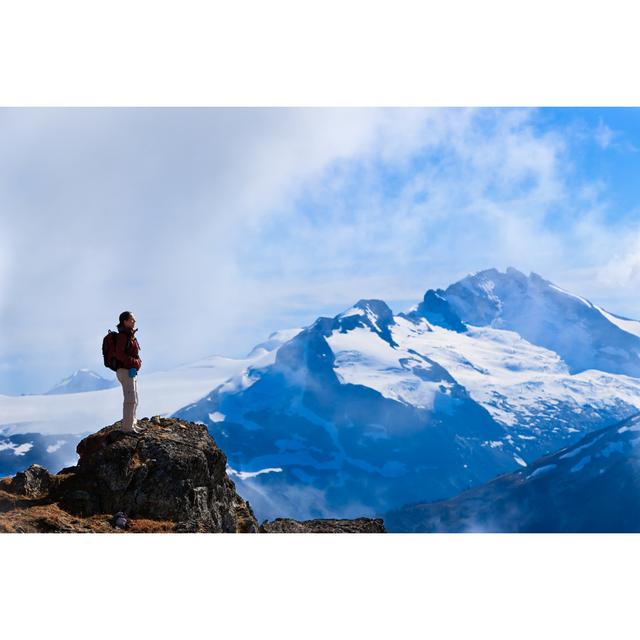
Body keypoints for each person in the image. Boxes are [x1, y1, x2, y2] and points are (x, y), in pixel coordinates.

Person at [114, 310, 143, 434]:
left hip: (130, 371)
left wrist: (135, 364)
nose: (134, 321)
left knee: (134, 398)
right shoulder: (122, 336)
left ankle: (132, 424)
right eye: (132, 319)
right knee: (130, 399)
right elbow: (119, 354)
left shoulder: (129, 335)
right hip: (125, 371)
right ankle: (127, 428)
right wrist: (134, 363)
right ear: (125, 321)